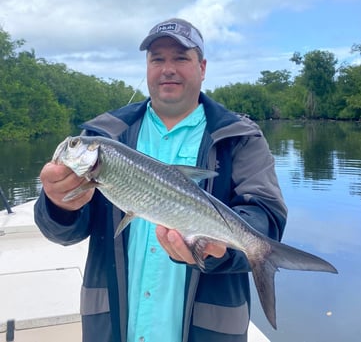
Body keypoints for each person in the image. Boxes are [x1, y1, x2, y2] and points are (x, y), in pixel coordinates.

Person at [34, 18, 287, 342]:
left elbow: (266, 214)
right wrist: (58, 203)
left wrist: (225, 247)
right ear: (146, 66)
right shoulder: (103, 134)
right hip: (112, 331)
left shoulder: (241, 138)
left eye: (180, 58)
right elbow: (64, 233)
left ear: (203, 67)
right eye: (157, 59)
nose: (168, 68)